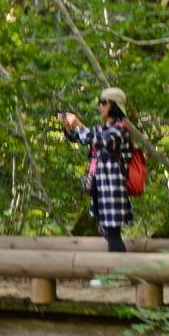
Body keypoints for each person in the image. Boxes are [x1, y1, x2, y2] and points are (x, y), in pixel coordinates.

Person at [59, 87, 134, 253]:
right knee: (106, 231)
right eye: (100, 102)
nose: (100, 106)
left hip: (113, 187)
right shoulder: (102, 128)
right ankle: (115, 273)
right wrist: (69, 127)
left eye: (104, 102)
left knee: (113, 232)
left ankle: (117, 274)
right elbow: (80, 137)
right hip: (100, 187)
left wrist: (78, 123)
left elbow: (101, 141)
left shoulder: (121, 129)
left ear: (114, 105)